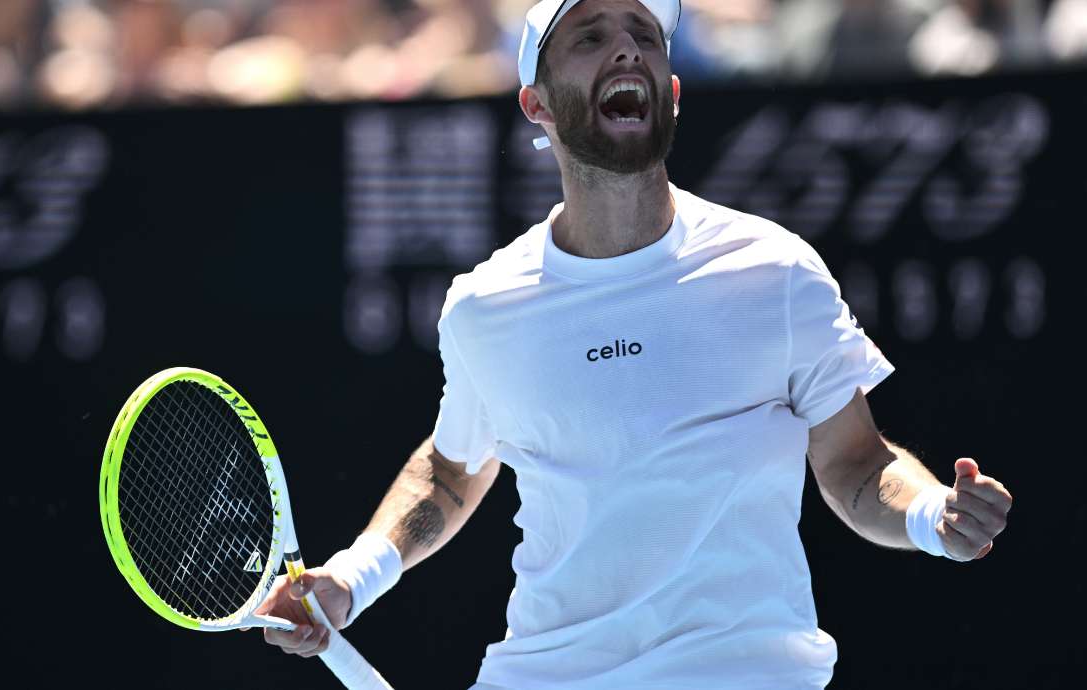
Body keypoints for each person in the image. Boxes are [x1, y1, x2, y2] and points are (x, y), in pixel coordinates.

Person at [250, 1, 1014, 688]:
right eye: (590, 36)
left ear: (671, 94)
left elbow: (855, 467)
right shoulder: (485, 308)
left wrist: (931, 518)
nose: (627, 51)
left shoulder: (776, 273)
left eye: (646, 37)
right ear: (535, 105)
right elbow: (452, 474)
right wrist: (351, 578)